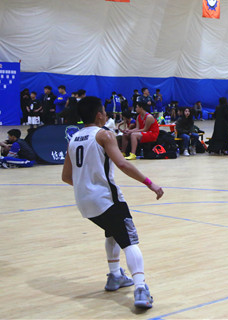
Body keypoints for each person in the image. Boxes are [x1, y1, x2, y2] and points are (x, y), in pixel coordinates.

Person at [61, 96, 164, 309]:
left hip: (84, 202)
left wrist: (86, 187)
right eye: (104, 111)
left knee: (112, 232)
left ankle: (115, 275)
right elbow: (122, 164)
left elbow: (66, 177)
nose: (106, 114)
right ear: (99, 114)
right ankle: (140, 288)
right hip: (106, 199)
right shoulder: (104, 134)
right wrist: (150, 183)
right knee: (130, 241)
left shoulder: (73, 139)